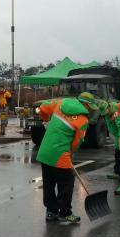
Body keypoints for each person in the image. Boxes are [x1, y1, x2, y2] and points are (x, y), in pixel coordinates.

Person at [36, 92, 97, 223]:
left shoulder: (61, 103)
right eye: (90, 107)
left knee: (49, 183)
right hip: (60, 155)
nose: (90, 110)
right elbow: (77, 142)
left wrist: (46, 120)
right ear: (86, 105)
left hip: (44, 151)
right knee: (67, 183)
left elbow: (43, 107)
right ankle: (65, 212)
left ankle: (51, 212)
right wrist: (69, 153)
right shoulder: (83, 120)